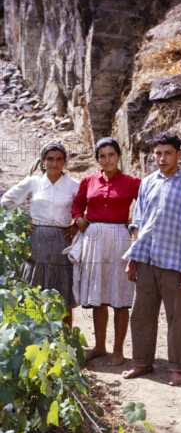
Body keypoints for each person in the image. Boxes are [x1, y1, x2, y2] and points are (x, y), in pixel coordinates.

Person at [122, 131, 181, 386]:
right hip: (146, 258)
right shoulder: (147, 183)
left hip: (174, 261)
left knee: (176, 318)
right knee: (141, 313)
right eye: (158, 153)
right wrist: (132, 259)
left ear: (179, 154)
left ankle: (177, 368)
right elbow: (137, 223)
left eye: (168, 153)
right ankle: (141, 362)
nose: (162, 158)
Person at [71, 137, 141, 366]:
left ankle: (118, 350)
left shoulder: (132, 182)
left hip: (120, 239)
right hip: (94, 240)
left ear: (119, 156)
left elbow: (144, 206)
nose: (107, 159)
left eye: (111, 155)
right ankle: (99, 346)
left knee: (120, 297)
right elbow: (77, 203)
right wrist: (78, 217)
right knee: (98, 295)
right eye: (102, 156)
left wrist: (136, 228)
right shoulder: (89, 180)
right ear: (97, 159)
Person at [0, 142, 79, 328]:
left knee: (62, 295)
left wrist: (76, 224)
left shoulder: (73, 185)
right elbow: (6, 201)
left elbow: (88, 206)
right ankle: (34, 335)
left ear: (65, 162)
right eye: (50, 159)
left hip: (62, 241)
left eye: (59, 159)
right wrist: (23, 220)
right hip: (36, 240)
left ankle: (64, 338)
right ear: (43, 161)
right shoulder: (33, 182)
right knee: (34, 290)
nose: (54, 163)